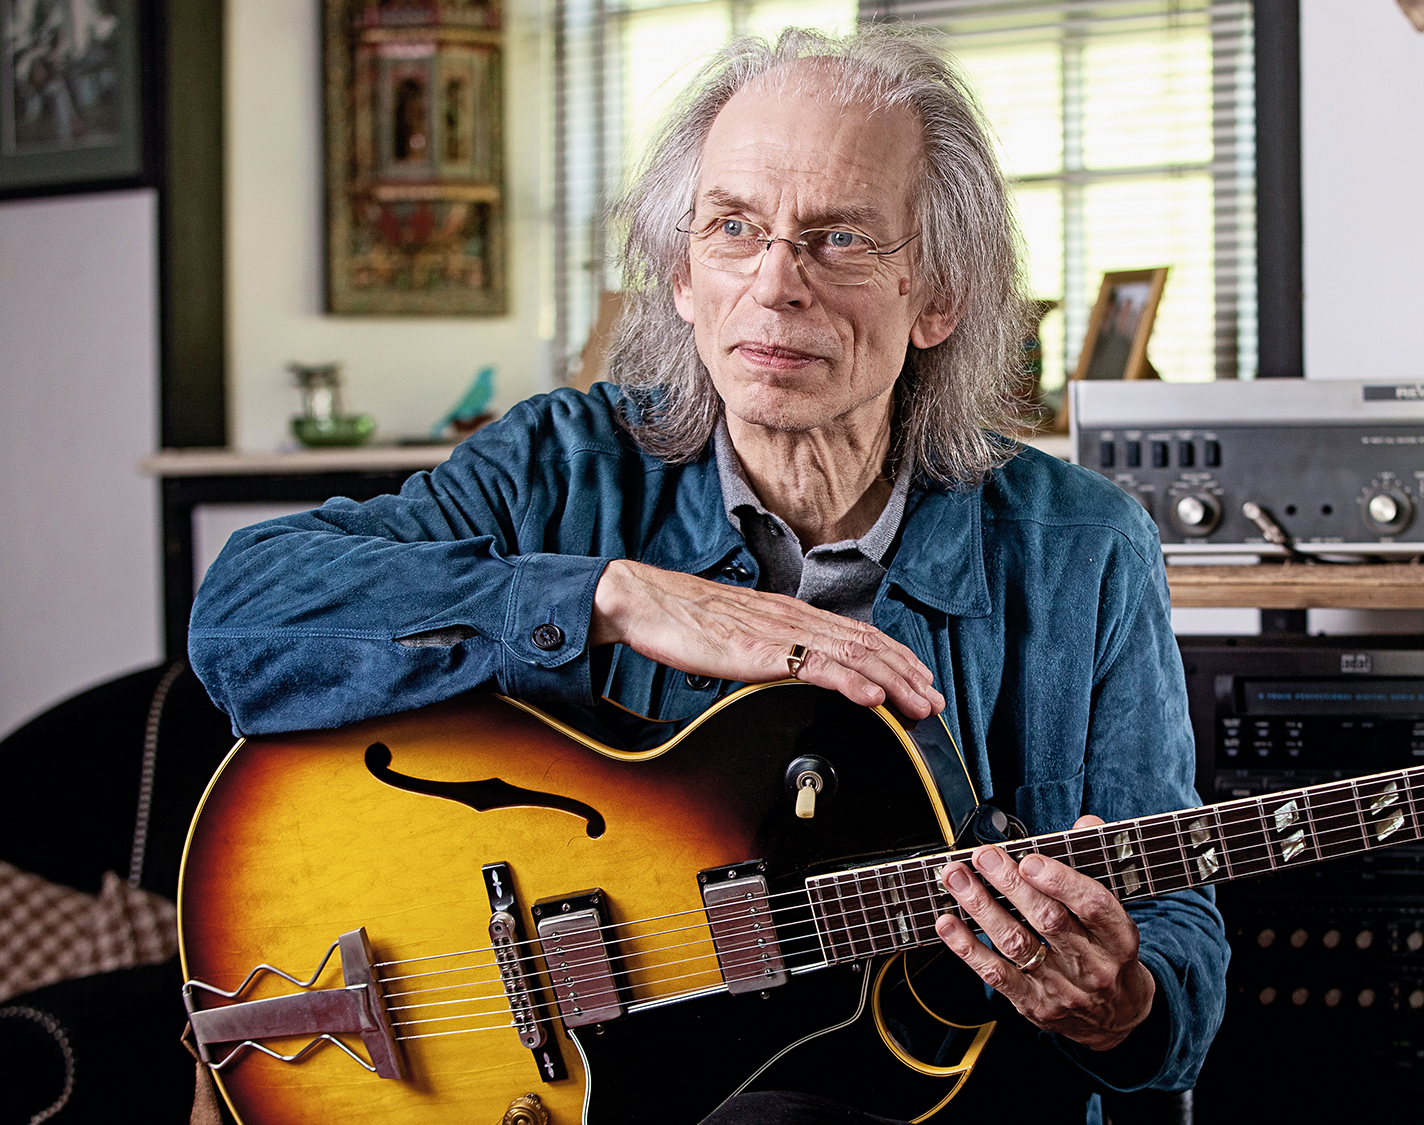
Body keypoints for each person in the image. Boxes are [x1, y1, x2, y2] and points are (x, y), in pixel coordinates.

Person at [188, 25, 1224, 1124]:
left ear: (939, 297)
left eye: (839, 239)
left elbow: (1173, 937)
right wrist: (614, 596)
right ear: (681, 276)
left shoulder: (1081, 545)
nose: (776, 285)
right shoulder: (558, 468)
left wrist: (1120, 1007)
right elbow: (244, 617)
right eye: (734, 228)